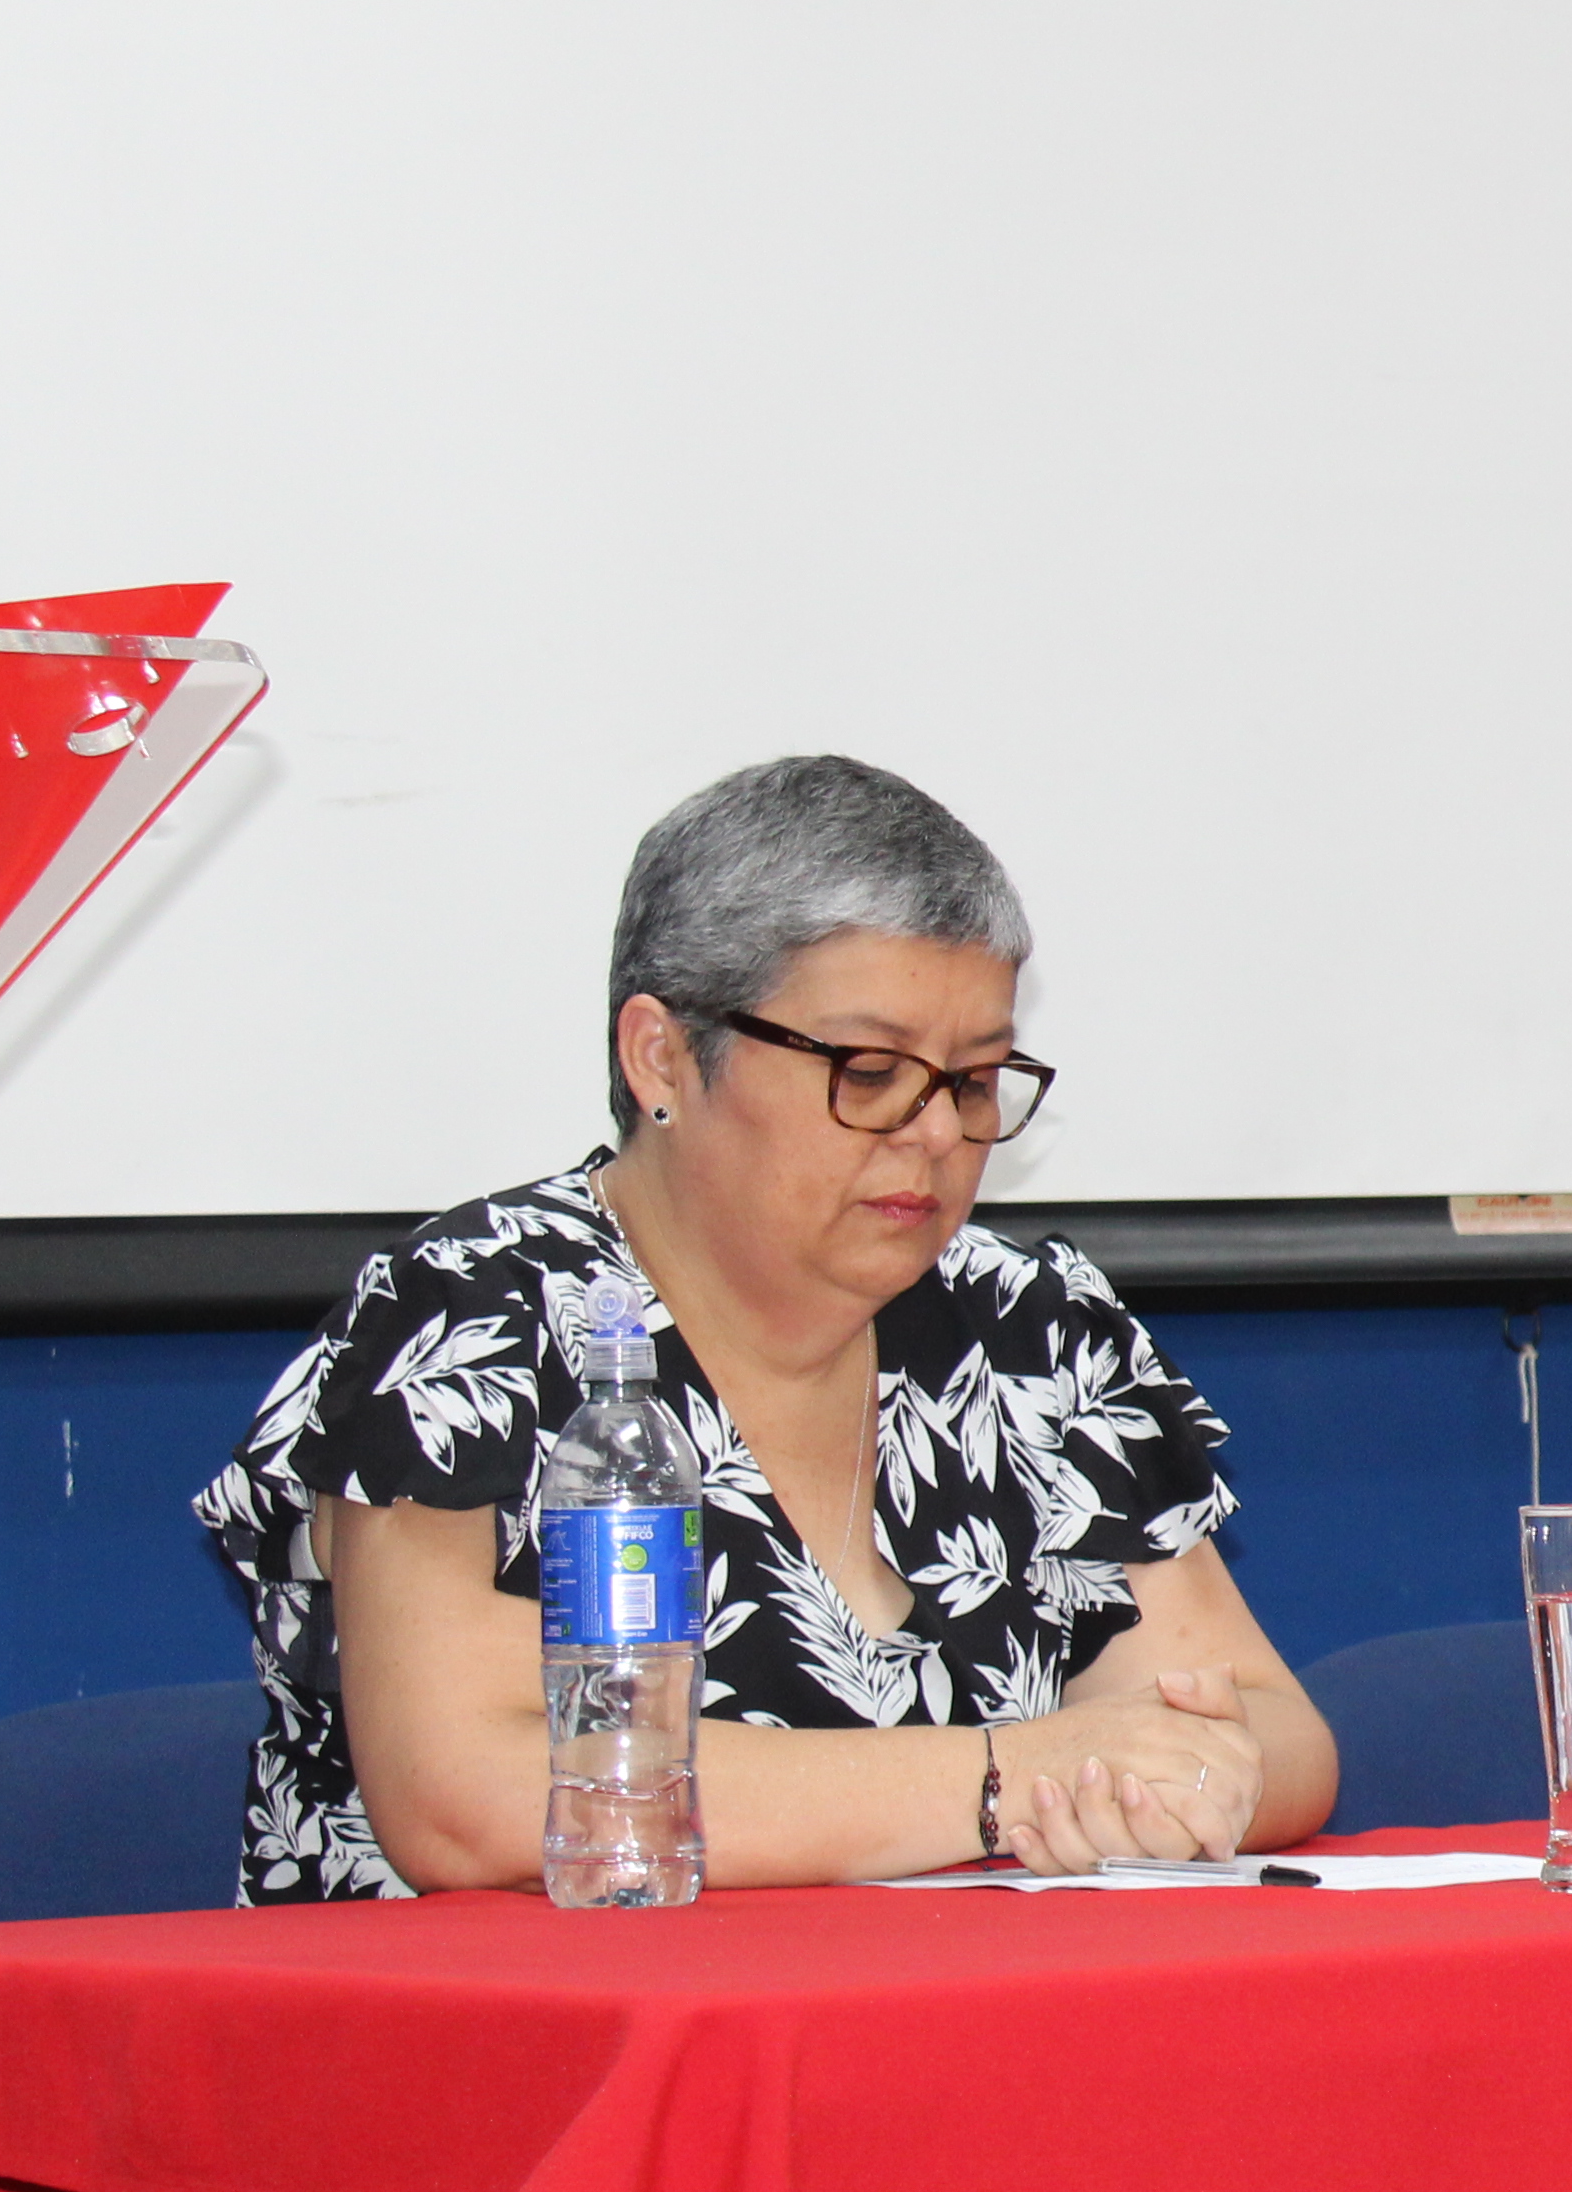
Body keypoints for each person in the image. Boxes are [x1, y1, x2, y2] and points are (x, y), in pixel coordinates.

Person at [199, 756, 1332, 1899]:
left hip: (926, 2029)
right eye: (872, 1070)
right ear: (664, 1057)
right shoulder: (476, 1321)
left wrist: (1187, 1778)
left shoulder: (1030, 1329)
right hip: (514, 2043)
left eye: (977, 1077)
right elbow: (473, 1798)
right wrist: (1011, 1779)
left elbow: (1276, 1730)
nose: (936, 1132)